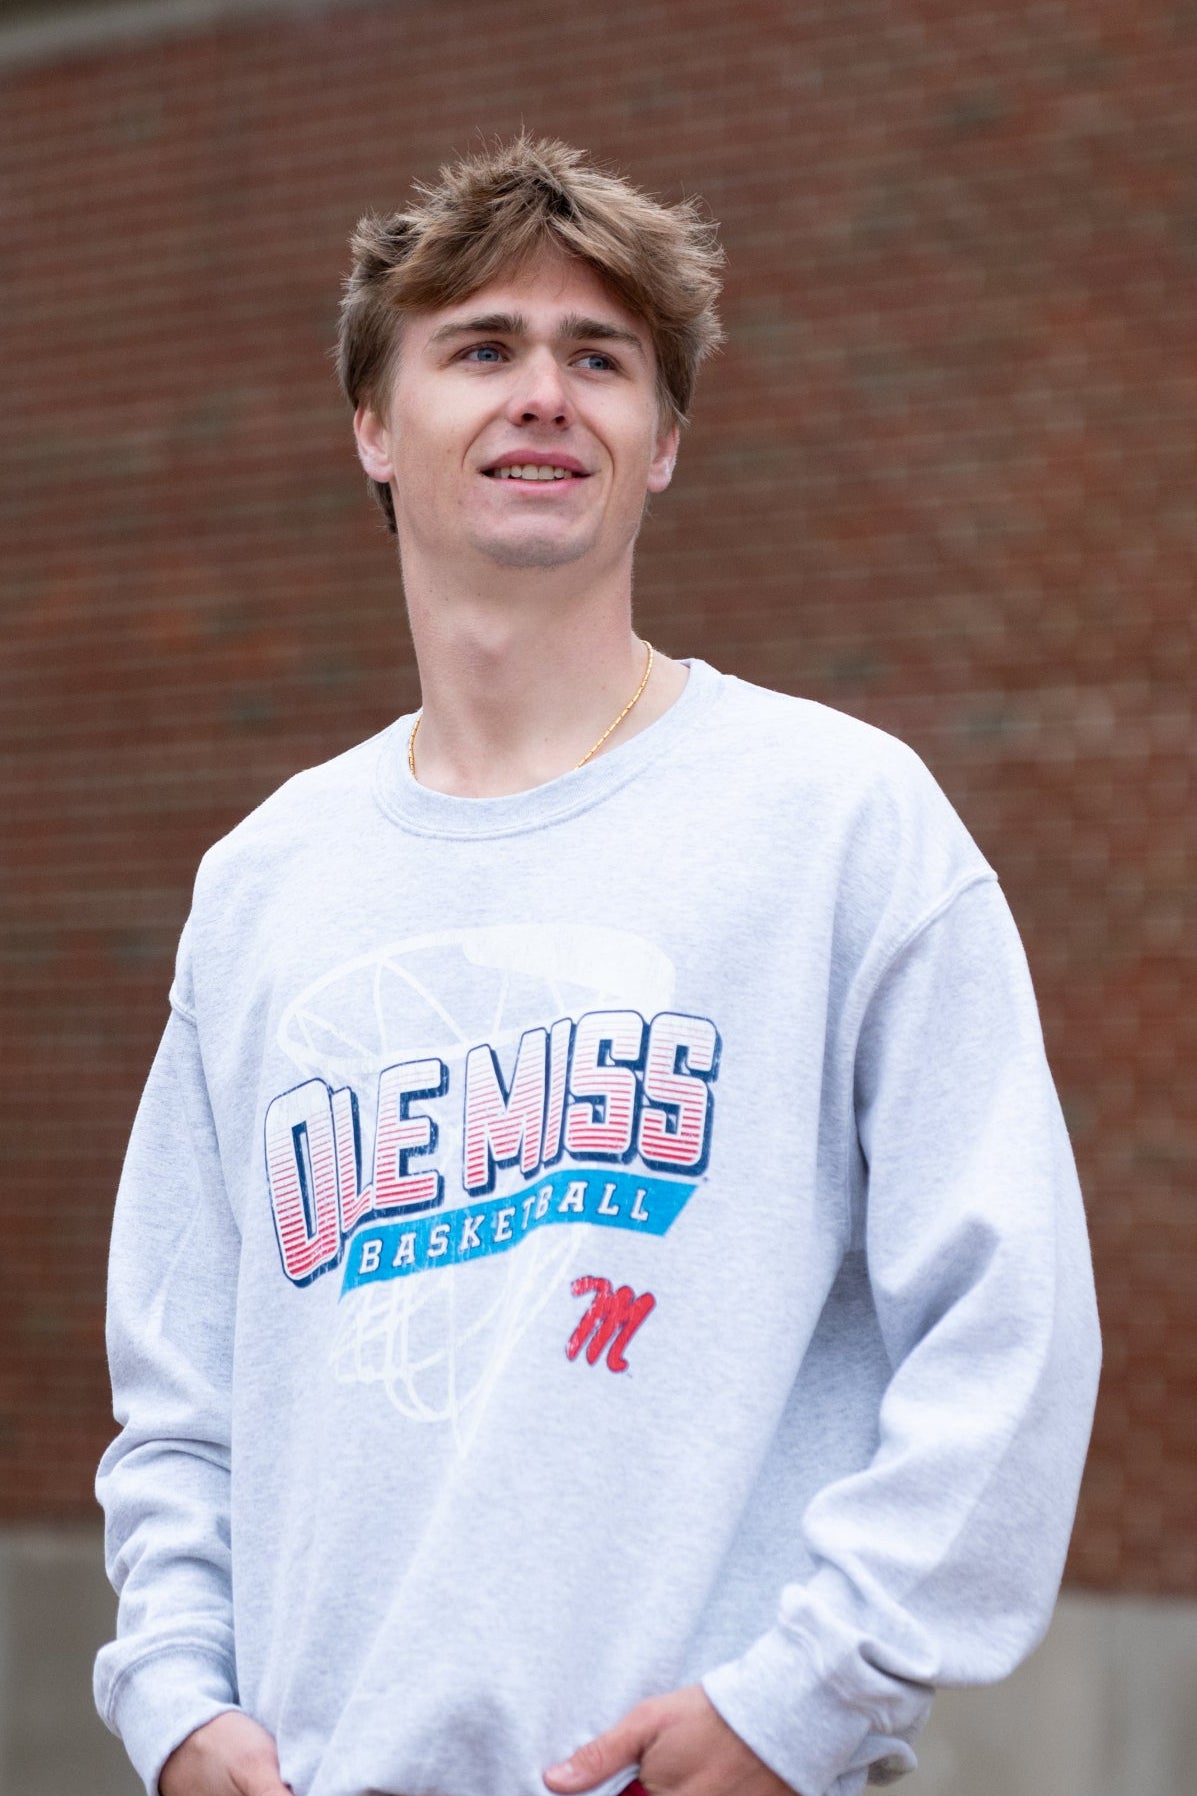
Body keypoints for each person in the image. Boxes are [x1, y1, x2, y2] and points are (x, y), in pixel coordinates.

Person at [95, 136, 1100, 1796]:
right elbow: (183, 1385)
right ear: (372, 424)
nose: (543, 395)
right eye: (480, 348)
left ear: (663, 441)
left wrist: (812, 1694)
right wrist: (180, 1705)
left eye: (601, 358)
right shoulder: (266, 881)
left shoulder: (837, 820)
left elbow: (1011, 1321)